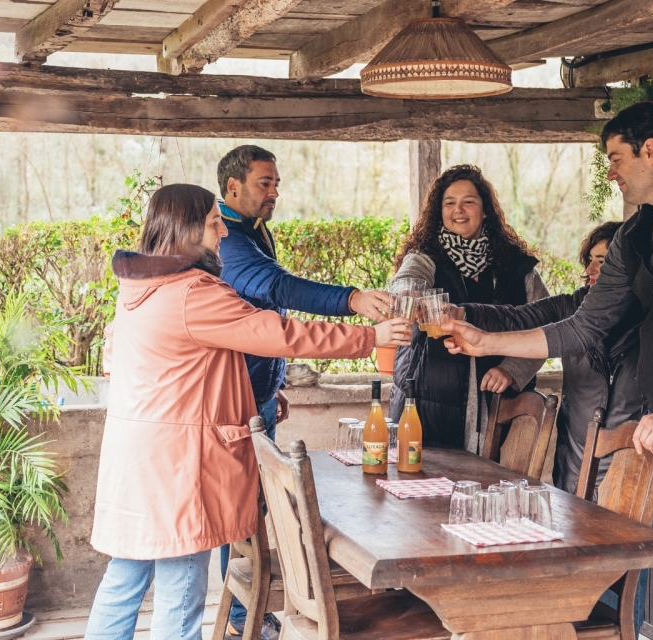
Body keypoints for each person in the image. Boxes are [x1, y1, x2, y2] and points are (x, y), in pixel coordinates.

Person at [441, 102, 653, 640]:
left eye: (616, 157)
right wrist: (487, 340)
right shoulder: (633, 235)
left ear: (651, 151)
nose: (611, 172)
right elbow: (582, 326)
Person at [84, 184, 410, 640]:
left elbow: (173, 370)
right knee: (182, 578)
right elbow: (277, 333)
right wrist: (368, 339)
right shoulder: (191, 293)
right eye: (215, 224)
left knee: (127, 573)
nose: (222, 234)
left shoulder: (138, 287)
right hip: (178, 465)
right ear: (187, 229)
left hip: (139, 458)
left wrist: (245, 398)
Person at [216, 145, 392, 639]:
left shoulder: (250, 230)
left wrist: (274, 384)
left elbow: (264, 319)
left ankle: (245, 616)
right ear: (233, 187)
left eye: (276, 182)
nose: (274, 192)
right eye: (264, 183)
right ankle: (238, 621)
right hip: (239, 407)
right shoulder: (230, 243)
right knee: (240, 520)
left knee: (254, 514)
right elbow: (281, 291)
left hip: (260, 398)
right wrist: (353, 299)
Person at [463, 221, 644, 494]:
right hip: (574, 460)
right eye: (590, 261)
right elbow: (517, 316)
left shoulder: (648, 320)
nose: (591, 270)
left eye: (603, 262)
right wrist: (464, 313)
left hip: (630, 463)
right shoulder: (570, 306)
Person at [389, 164, 549, 452]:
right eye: (449, 203)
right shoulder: (426, 256)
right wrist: (411, 297)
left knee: (487, 491)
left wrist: (512, 369)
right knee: (423, 489)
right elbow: (406, 280)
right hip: (428, 405)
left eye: (468, 202)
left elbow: (547, 327)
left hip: (499, 406)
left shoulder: (516, 267)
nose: (458, 210)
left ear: (485, 209)